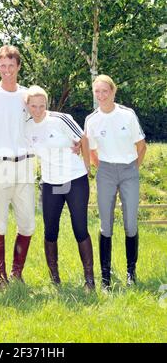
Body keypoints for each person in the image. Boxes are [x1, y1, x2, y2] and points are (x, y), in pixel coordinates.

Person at [25, 85, 95, 291]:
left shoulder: (60, 119)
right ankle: (54, 278)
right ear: (28, 106)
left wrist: (87, 166)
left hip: (75, 180)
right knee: (50, 230)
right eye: (33, 106)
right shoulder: (27, 127)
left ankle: (89, 279)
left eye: (42, 105)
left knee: (80, 227)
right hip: (50, 183)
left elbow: (83, 138)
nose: (38, 110)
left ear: (47, 104)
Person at [85, 74, 146, 289]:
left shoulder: (127, 115)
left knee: (130, 223)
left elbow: (141, 146)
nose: (101, 95)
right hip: (106, 172)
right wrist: (102, 169)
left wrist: (132, 170)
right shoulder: (92, 120)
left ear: (113, 92)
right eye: (97, 92)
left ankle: (131, 271)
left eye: (105, 91)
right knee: (106, 225)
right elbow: (91, 150)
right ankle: (105, 276)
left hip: (129, 170)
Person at [0, 45, 36, 289]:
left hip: (25, 163)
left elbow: (43, 119)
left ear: (18, 67)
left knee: (27, 223)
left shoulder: (27, 96)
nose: (6, 70)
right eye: (2, 66)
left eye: (11, 66)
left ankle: (17, 272)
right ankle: (0, 276)